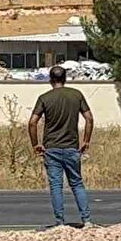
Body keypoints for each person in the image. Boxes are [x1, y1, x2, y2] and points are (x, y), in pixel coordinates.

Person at [29, 65, 95, 229]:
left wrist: (35, 144)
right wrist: (86, 140)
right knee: (77, 184)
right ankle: (86, 220)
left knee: (56, 186)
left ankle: (60, 222)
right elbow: (89, 118)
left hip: (51, 148)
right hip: (72, 147)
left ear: (50, 80)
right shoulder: (76, 95)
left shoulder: (45, 98)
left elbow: (32, 122)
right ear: (65, 78)